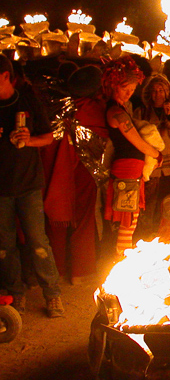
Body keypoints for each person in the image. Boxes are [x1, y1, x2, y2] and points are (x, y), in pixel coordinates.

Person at [0, 53, 64, 317]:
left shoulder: (27, 100)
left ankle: (53, 294)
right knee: (4, 246)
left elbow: (49, 137)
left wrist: (29, 140)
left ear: (6, 77)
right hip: (0, 189)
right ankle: (15, 295)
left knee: (38, 241)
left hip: (27, 184)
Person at [42, 64, 108, 285]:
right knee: (84, 221)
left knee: (56, 222)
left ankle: (57, 271)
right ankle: (80, 272)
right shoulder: (94, 109)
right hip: (84, 173)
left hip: (56, 174)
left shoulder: (56, 105)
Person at [103, 56, 163, 256]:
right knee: (128, 219)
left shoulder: (120, 109)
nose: (128, 94)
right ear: (114, 85)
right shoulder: (115, 112)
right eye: (124, 89)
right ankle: (122, 260)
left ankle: (122, 258)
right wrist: (156, 153)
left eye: (132, 90)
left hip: (131, 168)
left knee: (131, 218)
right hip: (126, 169)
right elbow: (135, 139)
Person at [133, 74, 170, 237]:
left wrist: (169, 116)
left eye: (161, 90)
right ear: (149, 93)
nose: (158, 94)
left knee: (166, 202)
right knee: (148, 203)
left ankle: (164, 234)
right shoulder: (141, 112)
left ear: (168, 93)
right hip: (151, 167)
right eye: (155, 91)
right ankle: (146, 234)